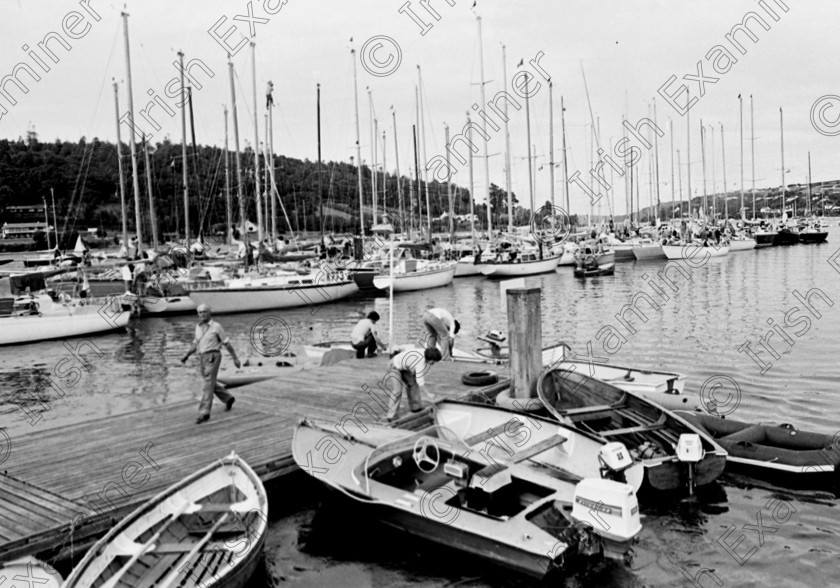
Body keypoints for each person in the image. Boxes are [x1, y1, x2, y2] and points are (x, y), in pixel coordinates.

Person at [181, 304, 241, 424]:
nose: (202, 314)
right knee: (209, 381)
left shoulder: (216, 327)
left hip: (213, 356)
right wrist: (187, 355)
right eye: (200, 312)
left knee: (208, 384)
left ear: (209, 313)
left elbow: (226, 343)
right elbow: (196, 343)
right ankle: (228, 398)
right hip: (202, 356)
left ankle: (204, 412)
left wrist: (235, 358)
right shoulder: (198, 327)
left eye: (204, 312)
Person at [385, 347, 443, 420]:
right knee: (397, 390)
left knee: (413, 383)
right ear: (430, 358)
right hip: (393, 366)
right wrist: (428, 394)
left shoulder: (424, 353)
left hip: (404, 367)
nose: (433, 363)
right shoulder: (420, 362)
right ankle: (391, 416)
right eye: (433, 361)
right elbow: (420, 381)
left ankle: (416, 407)